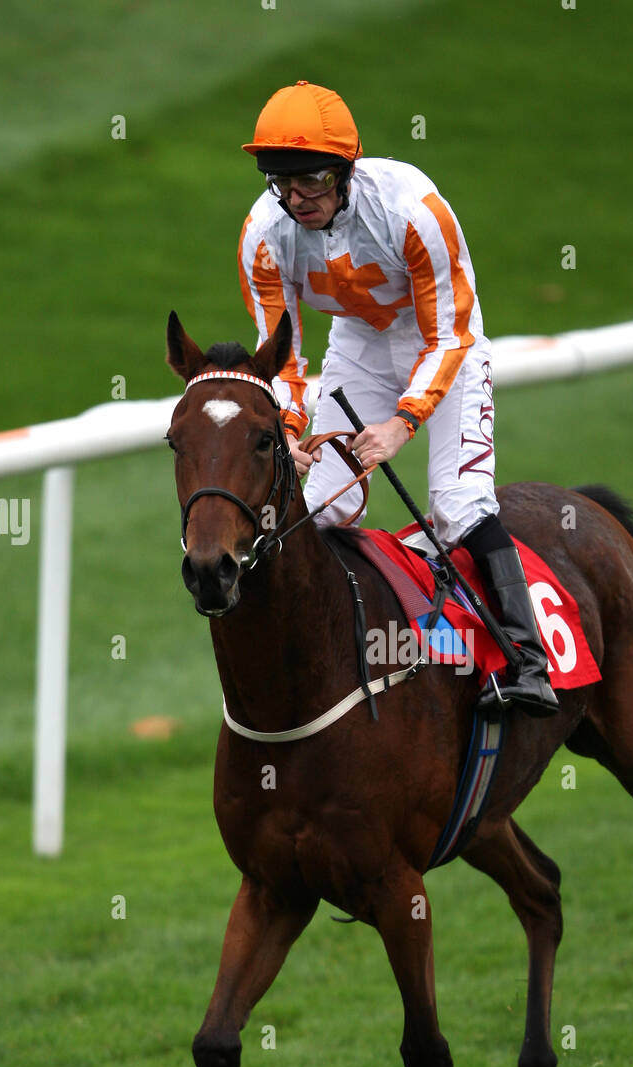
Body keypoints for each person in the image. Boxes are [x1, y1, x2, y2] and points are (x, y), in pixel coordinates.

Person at [238, 81, 557, 716]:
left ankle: (528, 662)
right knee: (315, 505)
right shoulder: (264, 235)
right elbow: (285, 355)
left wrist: (402, 424)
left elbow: (451, 333)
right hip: (358, 343)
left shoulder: (414, 210)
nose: (297, 199)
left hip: (441, 346)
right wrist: (290, 429)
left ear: (346, 170)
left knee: (458, 503)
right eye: (282, 183)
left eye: (312, 182)